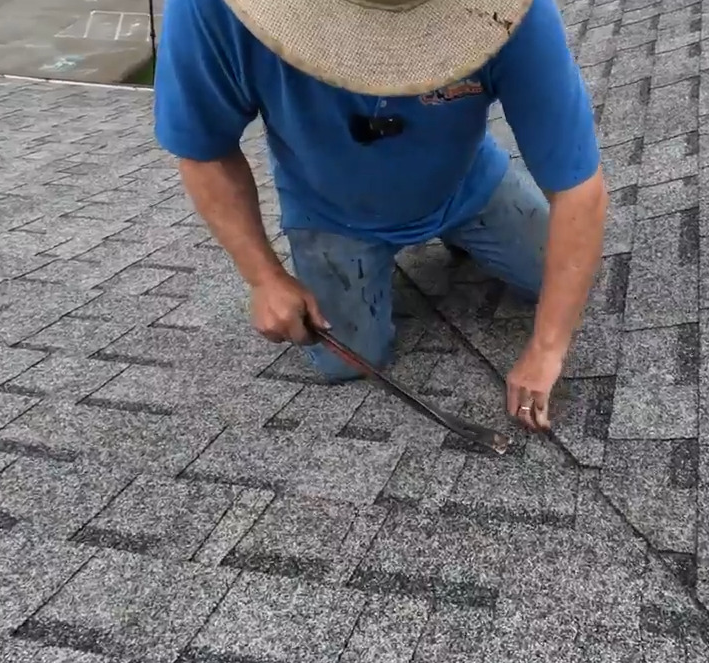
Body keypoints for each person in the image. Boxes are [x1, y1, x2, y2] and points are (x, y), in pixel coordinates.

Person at [151, 0, 607, 431]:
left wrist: (548, 349)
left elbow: (578, 189)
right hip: (331, 211)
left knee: (566, 280)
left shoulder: (516, 12)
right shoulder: (213, 9)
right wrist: (263, 278)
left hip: (468, 184)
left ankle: (455, 229)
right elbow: (204, 151)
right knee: (347, 361)